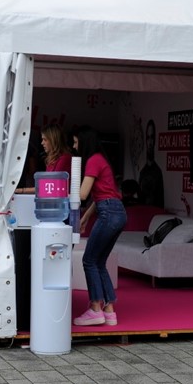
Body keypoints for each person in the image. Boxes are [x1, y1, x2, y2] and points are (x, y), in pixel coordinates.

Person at [73, 126, 127, 327]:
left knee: (89, 260)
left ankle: (95, 308)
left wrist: (61, 192)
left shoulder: (93, 161)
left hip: (108, 213)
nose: (74, 147)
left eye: (76, 142)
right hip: (117, 212)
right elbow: (102, 195)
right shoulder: (101, 160)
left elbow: (82, 194)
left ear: (84, 142)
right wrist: (86, 218)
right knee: (99, 261)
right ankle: (109, 311)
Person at [15, 124, 73, 195]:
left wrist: (22, 190)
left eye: (45, 140)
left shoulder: (64, 158)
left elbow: (51, 185)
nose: (42, 143)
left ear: (53, 140)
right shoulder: (52, 159)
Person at [139, 119, 164, 208]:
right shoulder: (142, 173)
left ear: (154, 140)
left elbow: (161, 202)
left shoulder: (158, 172)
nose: (150, 142)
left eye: (152, 138)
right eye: (148, 137)